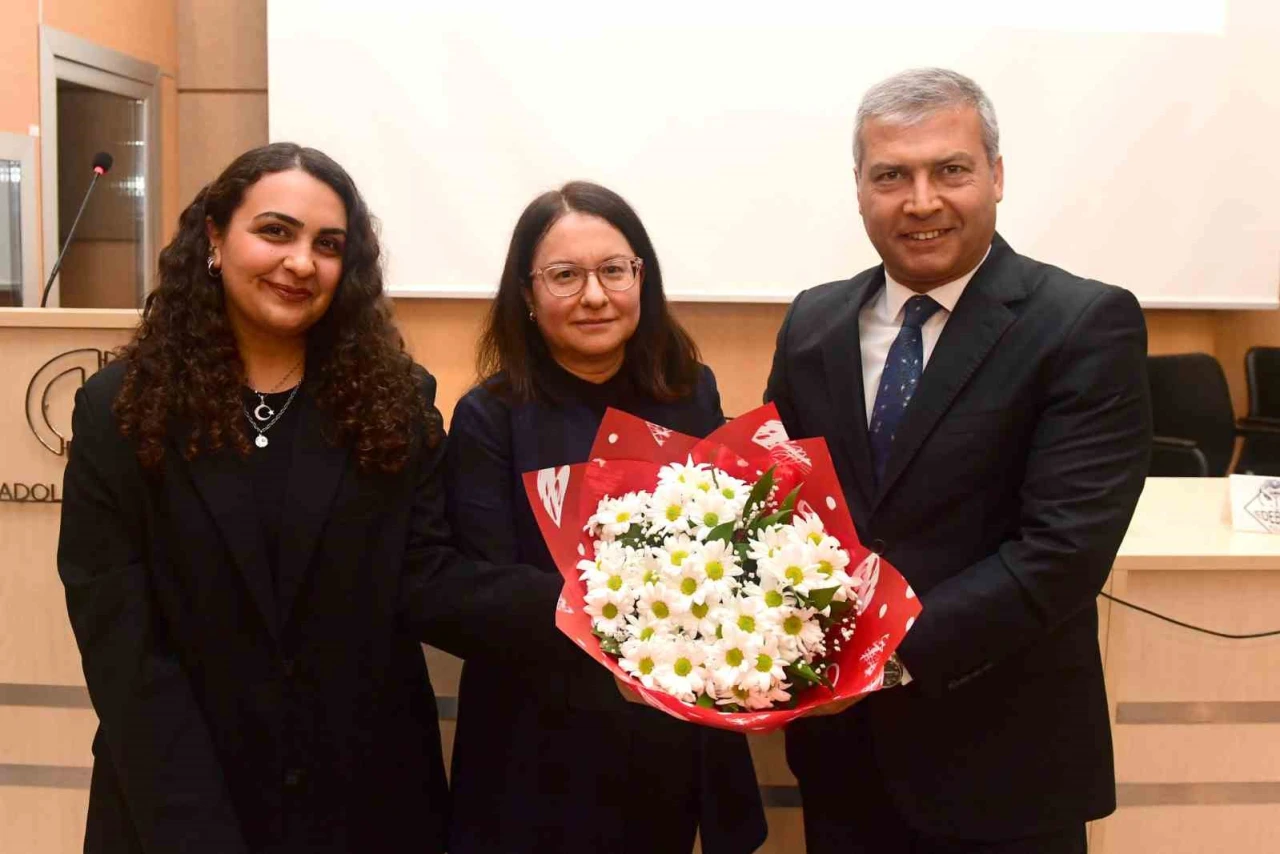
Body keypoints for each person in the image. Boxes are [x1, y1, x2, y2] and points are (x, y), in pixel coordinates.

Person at [57, 142, 564, 854]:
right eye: (275, 232)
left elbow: (429, 582)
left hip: (367, 807)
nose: (302, 262)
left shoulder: (395, 400)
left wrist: (589, 614)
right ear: (213, 237)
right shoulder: (121, 410)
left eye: (328, 245)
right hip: (176, 801)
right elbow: (123, 646)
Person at [766, 69, 1152, 854]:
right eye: (891, 175)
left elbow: (1061, 555)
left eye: (950, 170)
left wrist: (873, 659)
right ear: (859, 189)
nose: (921, 200)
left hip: (1004, 768)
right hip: (844, 768)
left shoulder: (1082, 324)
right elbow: (779, 508)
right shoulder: (814, 321)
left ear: (997, 176)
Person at [443, 181, 767, 854]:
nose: (594, 296)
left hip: (670, 742)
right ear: (527, 295)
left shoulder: (689, 392)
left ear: (640, 277)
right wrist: (621, 613)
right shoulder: (490, 416)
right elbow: (479, 586)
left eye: (614, 271)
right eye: (565, 276)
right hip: (541, 745)